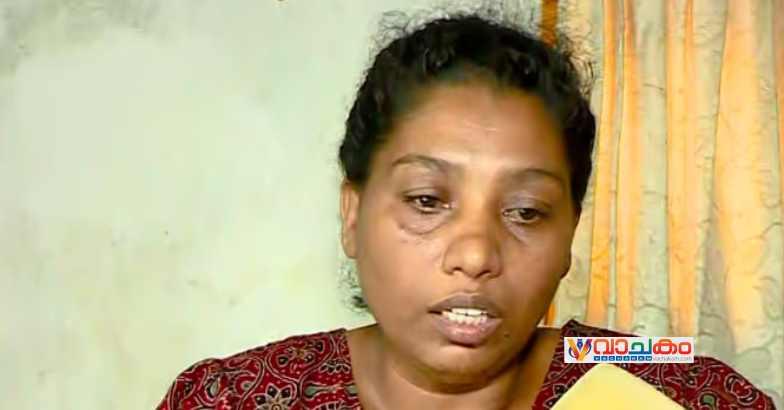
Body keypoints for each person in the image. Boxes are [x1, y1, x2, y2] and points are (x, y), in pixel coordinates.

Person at [156, 11, 774, 410]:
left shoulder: (671, 387)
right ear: (352, 215)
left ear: (570, 235)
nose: (476, 254)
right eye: (427, 201)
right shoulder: (231, 398)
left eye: (526, 211)